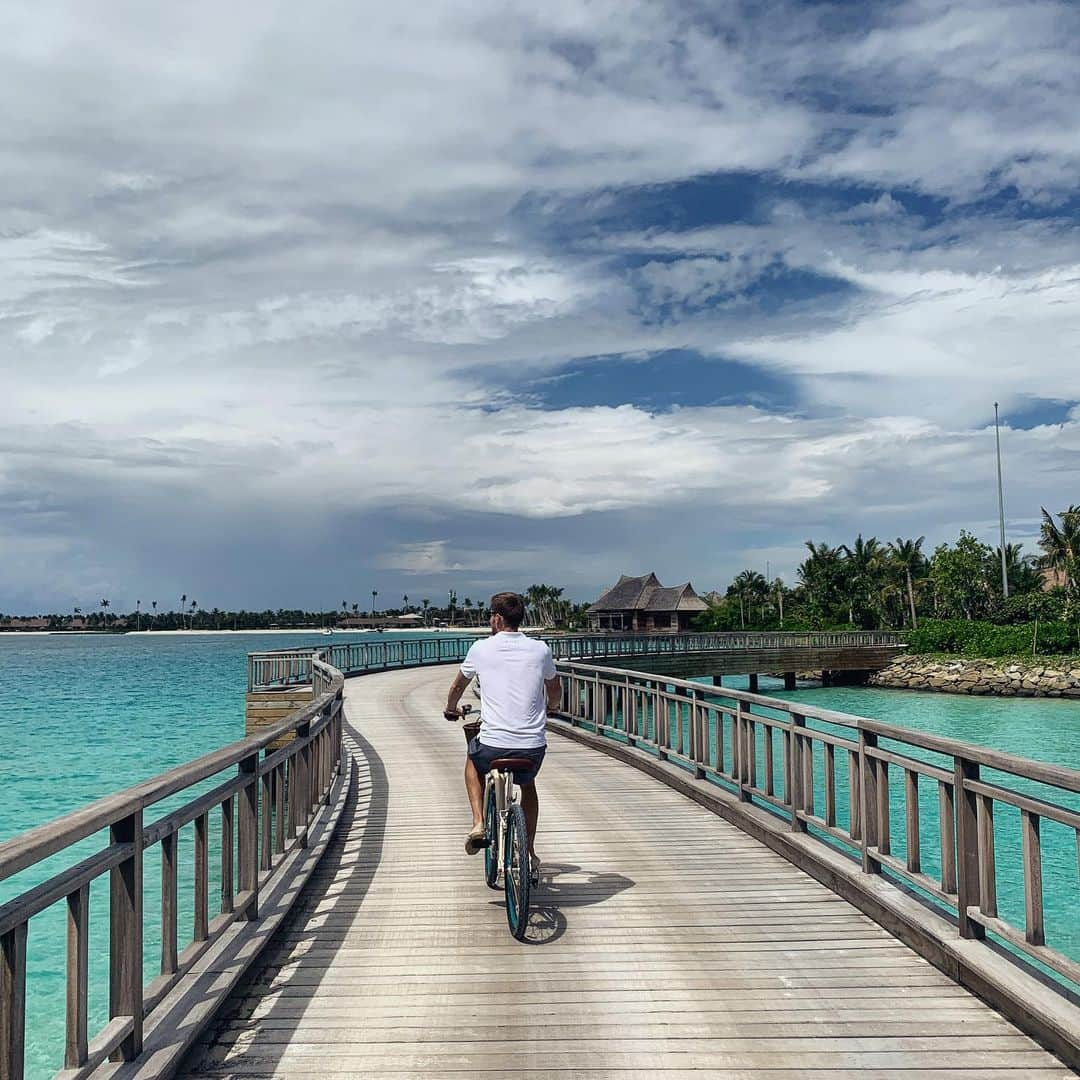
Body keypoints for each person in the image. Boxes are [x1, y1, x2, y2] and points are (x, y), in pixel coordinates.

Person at [444, 591, 560, 876]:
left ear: (496, 619)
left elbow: (458, 687)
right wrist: (552, 709)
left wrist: (450, 708)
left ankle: (478, 822)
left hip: (493, 745)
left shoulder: (480, 649)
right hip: (532, 747)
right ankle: (529, 850)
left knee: (473, 762)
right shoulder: (541, 649)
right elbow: (555, 691)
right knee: (528, 784)